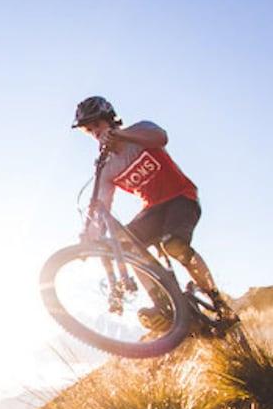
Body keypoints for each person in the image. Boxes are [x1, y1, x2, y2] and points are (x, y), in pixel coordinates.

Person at [71, 96, 236, 329]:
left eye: (97, 125)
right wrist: (89, 235)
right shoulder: (105, 165)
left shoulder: (139, 131)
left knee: (174, 245)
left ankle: (218, 300)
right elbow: (102, 206)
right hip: (153, 209)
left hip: (181, 197)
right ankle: (164, 306)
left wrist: (121, 136)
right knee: (125, 245)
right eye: (89, 130)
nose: (95, 132)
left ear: (110, 119)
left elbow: (161, 138)